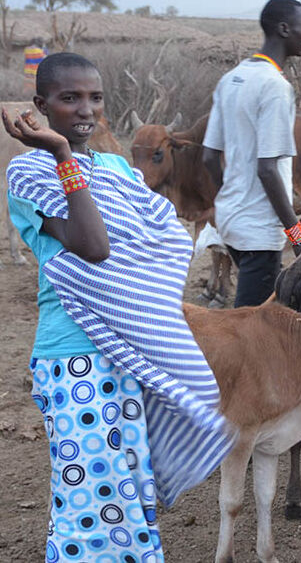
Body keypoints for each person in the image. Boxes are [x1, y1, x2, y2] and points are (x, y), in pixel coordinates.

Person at [3, 53, 234, 562]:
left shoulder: (114, 169)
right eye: (70, 98)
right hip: (73, 356)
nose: (86, 109)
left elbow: (167, 238)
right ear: (42, 105)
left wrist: (139, 272)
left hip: (132, 347)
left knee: (128, 494)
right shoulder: (29, 171)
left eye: (95, 97)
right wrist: (62, 154)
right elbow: (95, 246)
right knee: (86, 501)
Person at [202, 0, 301, 307]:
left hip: (231, 218)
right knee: (251, 322)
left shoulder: (231, 79)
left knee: (256, 311)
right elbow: (267, 169)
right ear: (284, 29)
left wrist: (232, 196)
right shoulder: (275, 86)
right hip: (259, 230)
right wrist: (298, 236)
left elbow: (209, 157)